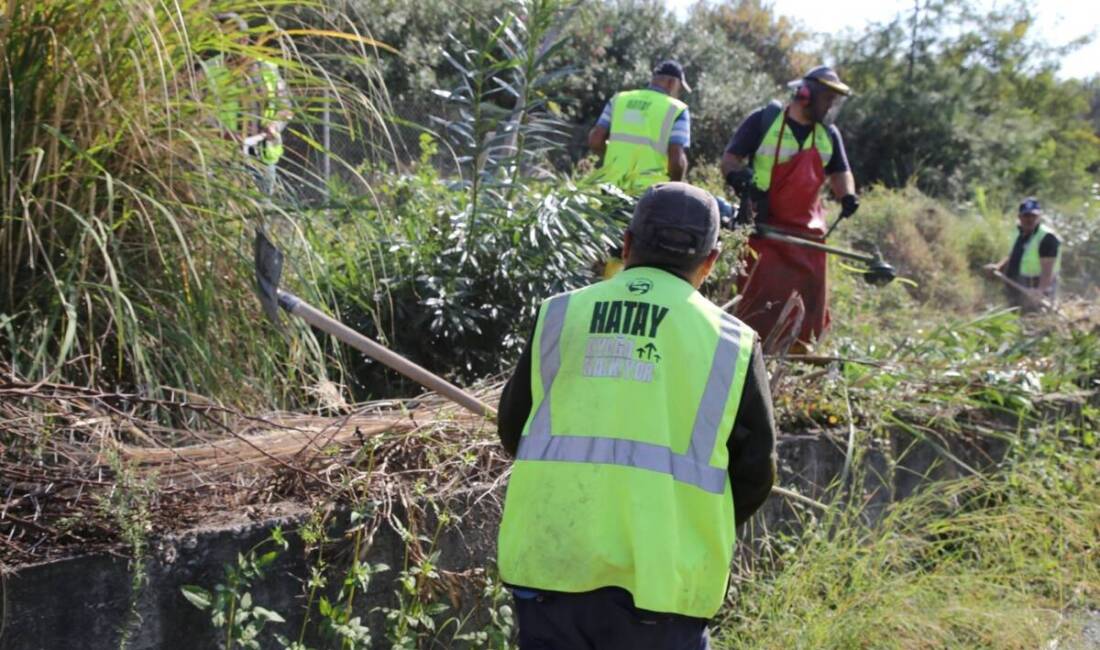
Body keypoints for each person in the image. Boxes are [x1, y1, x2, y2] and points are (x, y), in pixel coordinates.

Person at [495, 182, 778, 650]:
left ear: (626, 245)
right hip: (663, 585)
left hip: (553, 570)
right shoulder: (732, 343)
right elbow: (754, 474)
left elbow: (513, 431)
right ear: (711, 260)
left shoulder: (560, 315)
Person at [720, 65, 859, 348]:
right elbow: (730, 159)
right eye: (827, 98)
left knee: (809, 306)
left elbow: (840, 171)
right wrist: (738, 176)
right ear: (805, 95)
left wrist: (848, 196)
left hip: (808, 237)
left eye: (835, 100)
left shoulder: (828, 135)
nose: (831, 105)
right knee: (757, 302)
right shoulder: (764, 121)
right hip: (764, 229)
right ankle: (749, 352)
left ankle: (800, 357)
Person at [587, 60, 694, 278]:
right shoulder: (676, 110)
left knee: (605, 248)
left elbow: (595, 139)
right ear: (672, 82)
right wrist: (676, 186)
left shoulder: (620, 100)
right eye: (680, 88)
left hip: (611, 187)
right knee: (636, 256)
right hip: (650, 195)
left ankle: (595, 293)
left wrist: (613, 161)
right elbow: (676, 159)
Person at [201, 12, 292, 195]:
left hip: (262, 155)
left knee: (261, 214)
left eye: (230, 36)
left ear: (244, 39)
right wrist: (221, 133)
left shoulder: (267, 68)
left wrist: (274, 126)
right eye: (221, 36)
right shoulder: (209, 71)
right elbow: (198, 112)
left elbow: (285, 108)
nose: (226, 42)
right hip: (223, 158)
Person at [984, 197, 1061, 309]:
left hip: (1036, 289)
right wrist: (998, 267)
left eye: (1033, 216)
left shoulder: (1046, 238)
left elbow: (1047, 271)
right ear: (1019, 217)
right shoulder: (1020, 232)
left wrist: (1039, 291)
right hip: (1018, 286)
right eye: (1026, 216)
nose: (1029, 219)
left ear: (1039, 217)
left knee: (1033, 320)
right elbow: (1015, 255)